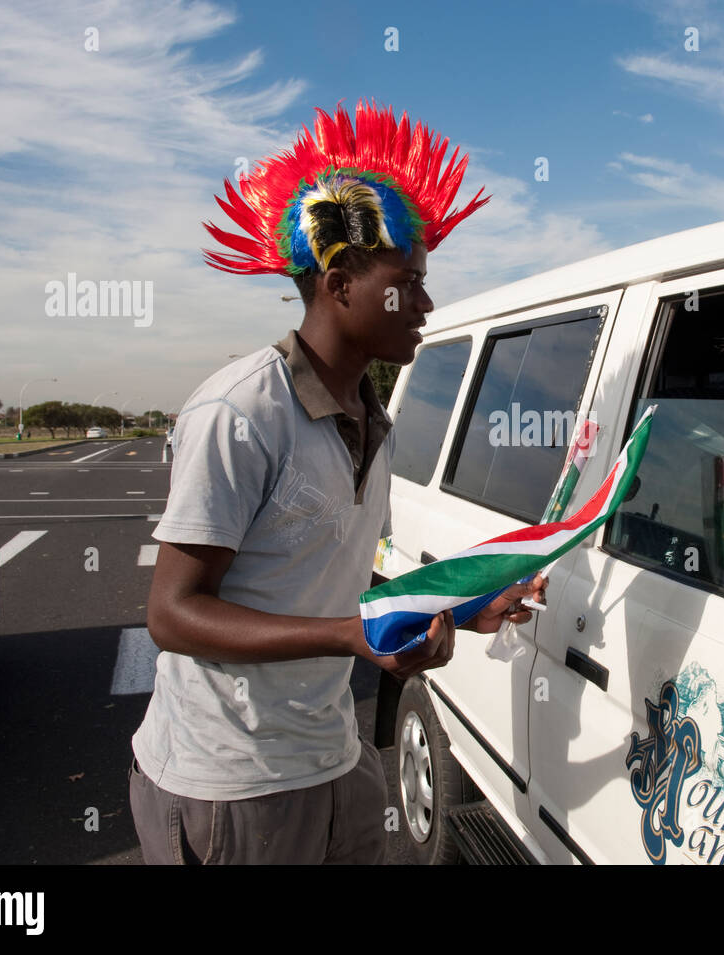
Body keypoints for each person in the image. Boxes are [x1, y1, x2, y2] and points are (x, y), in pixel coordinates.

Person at [128, 102, 546, 865]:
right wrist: (346, 640)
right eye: (410, 281)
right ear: (341, 281)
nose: (426, 303)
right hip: (231, 788)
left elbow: (335, 576)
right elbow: (173, 613)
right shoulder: (242, 411)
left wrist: (464, 605)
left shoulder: (369, 418)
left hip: (336, 760)